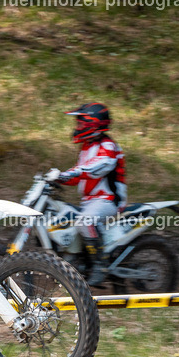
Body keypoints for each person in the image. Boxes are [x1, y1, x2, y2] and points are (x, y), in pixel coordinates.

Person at [45, 102, 127, 287]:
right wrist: (58, 179)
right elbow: (78, 174)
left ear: (93, 124)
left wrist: (68, 174)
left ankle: (101, 265)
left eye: (80, 123)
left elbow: (94, 167)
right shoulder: (87, 146)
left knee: (84, 221)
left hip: (108, 201)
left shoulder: (108, 146)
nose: (77, 128)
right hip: (91, 202)